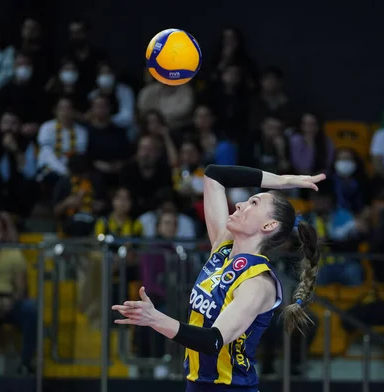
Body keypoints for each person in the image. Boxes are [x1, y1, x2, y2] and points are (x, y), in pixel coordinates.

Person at [113, 164, 325, 391]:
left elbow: (212, 341)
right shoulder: (222, 248)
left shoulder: (258, 283)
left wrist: (155, 318)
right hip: (196, 385)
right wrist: (282, 181)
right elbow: (214, 174)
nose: (241, 204)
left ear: (269, 225)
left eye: (254, 203)